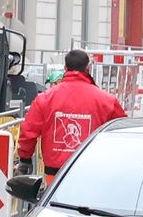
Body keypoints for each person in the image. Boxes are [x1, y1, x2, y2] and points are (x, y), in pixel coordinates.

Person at [18, 47, 127, 177]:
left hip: (55, 175)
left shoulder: (45, 99)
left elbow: (29, 132)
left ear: (65, 68)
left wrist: (25, 160)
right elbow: (123, 132)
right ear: (88, 68)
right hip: (93, 172)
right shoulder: (107, 101)